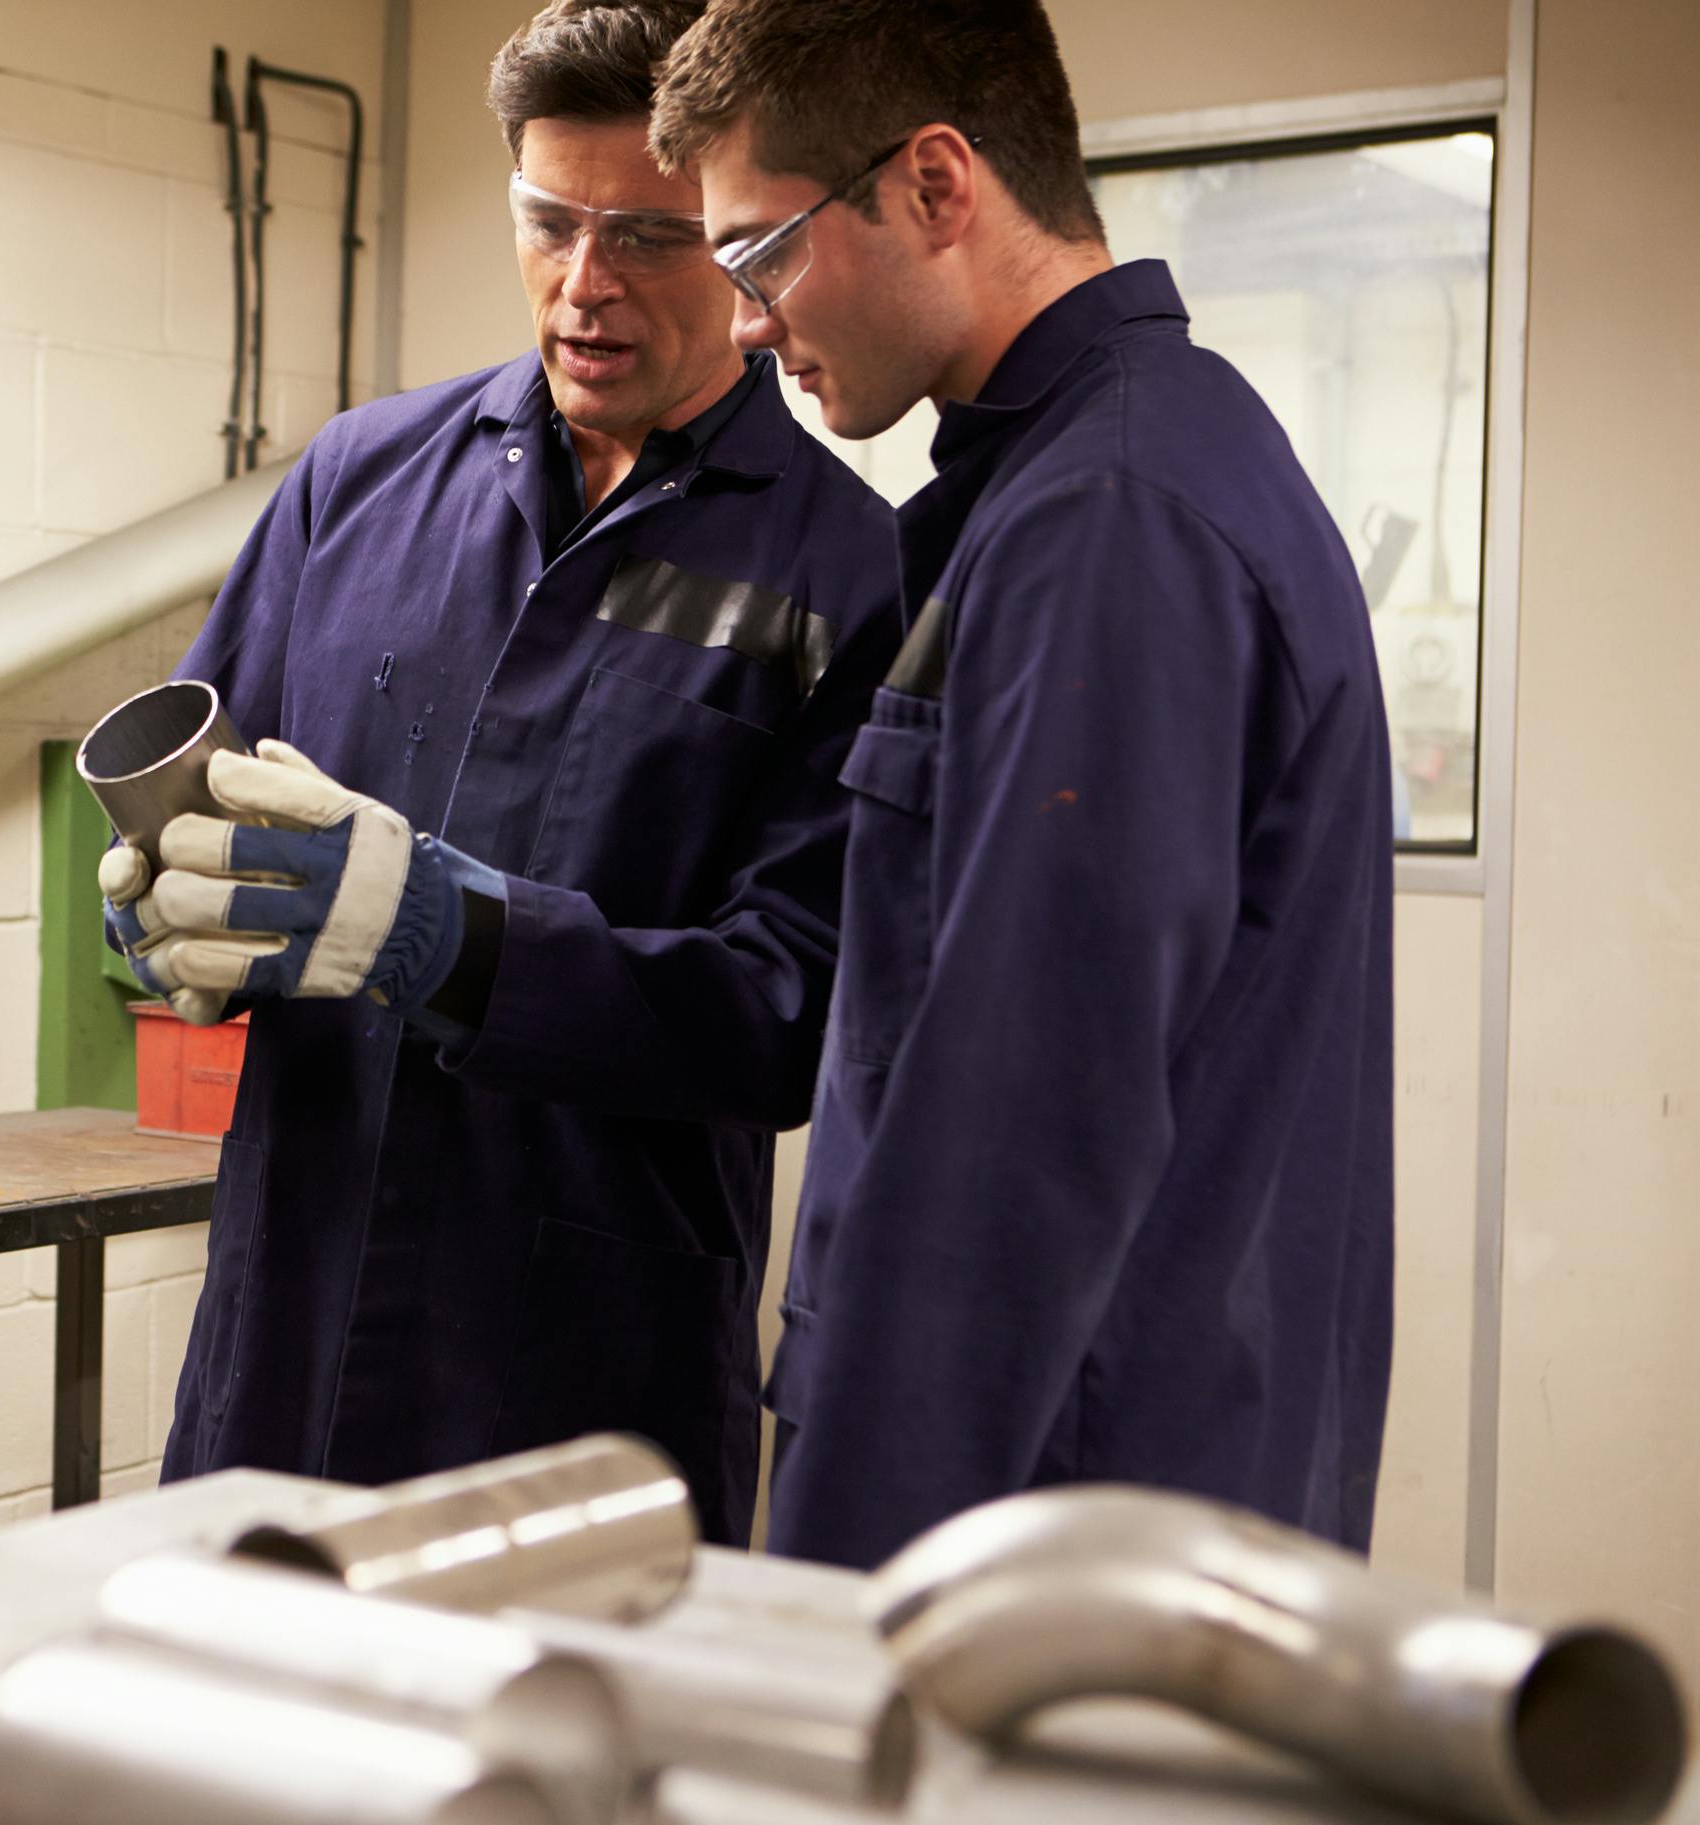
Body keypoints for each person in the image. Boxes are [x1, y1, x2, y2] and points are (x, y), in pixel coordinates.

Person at [102, 0, 902, 1546]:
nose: (584, 284)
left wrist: (448, 937)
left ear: (740, 250)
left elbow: (791, 1017)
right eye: (549, 223)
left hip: (581, 1369)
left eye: (648, 238)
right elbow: (207, 798)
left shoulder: (846, 577)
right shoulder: (357, 482)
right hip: (288, 1321)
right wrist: (159, 917)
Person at [648, 0, 1396, 1567]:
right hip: (1099, 1494)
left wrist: (835, 1609)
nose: (747, 327)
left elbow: (1016, 1136)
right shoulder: (1103, 475)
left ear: (932, 184)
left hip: (1049, 1531)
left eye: (758, 256)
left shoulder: (1105, 521)